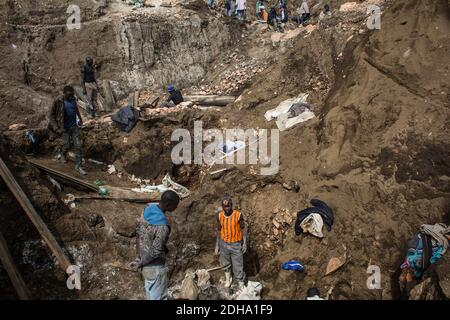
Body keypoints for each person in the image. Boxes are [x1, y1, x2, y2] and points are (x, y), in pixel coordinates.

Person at [130, 190, 181, 300]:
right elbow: (156, 250)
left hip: (145, 267)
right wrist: (141, 262)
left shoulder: (147, 210)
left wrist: (138, 258)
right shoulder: (162, 225)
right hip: (155, 268)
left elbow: (138, 234)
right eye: (175, 205)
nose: (176, 208)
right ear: (168, 205)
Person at [399, 223, 450, 297]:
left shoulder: (435, 231)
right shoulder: (443, 245)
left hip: (414, 259)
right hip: (416, 265)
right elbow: (433, 260)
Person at [48, 85, 86, 175]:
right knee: (67, 144)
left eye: (72, 94)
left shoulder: (73, 99)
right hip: (64, 127)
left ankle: (78, 166)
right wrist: (56, 127)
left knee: (78, 146)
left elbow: (75, 108)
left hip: (74, 126)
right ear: (64, 93)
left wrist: (80, 118)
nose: (70, 96)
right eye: (69, 95)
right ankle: (62, 154)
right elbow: (51, 115)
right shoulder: (58, 101)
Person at [215, 196, 248, 289]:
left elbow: (243, 229)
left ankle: (241, 283)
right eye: (225, 206)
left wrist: (244, 242)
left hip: (236, 244)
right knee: (225, 263)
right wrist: (217, 245)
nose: (227, 208)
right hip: (224, 243)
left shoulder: (238, 215)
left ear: (231, 205)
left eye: (228, 206)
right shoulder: (219, 216)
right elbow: (218, 230)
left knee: (238, 265)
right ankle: (228, 279)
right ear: (222, 206)